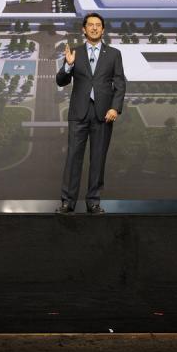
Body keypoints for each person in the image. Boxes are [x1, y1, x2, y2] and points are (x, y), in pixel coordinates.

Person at [55, 12, 126, 214]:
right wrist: (68, 65)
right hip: (79, 113)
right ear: (83, 30)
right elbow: (61, 81)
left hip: (104, 115)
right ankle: (67, 202)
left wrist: (115, 107)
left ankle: (93, 201)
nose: (94, 28)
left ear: (103, 30)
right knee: (73, 158)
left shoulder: (114, 54)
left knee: (98, 158)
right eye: (90, 25)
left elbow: (120, 83)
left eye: (98, 25)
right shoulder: (75, 53)